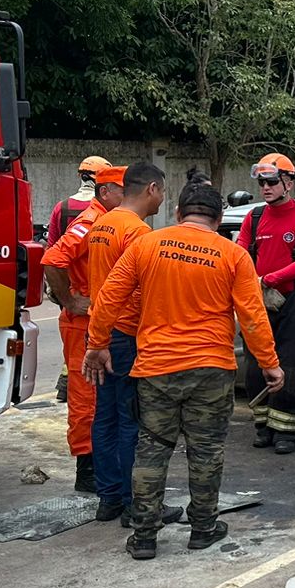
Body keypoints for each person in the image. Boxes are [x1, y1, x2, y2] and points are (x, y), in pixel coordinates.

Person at [83, 183, 283, 559]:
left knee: (151, 451)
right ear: (219, 220)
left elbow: (109, 297)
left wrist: (97, 343)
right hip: (211, 369)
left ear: (177, 213)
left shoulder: (146, 246)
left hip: (156, 368)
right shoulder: (234, 255)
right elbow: (253, 317)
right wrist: (269, 364)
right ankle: (203, 529)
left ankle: (144, 536)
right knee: (206, 451)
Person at [84, 162, 167, 524]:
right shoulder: (138, 233)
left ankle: (110, 498)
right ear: (151, 189)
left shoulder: (102, 223)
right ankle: (137, 503)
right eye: (163, 191)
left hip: (102, 332)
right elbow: (138, 291)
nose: (164, 198)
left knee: (104, 417)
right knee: (131, 420)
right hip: (128, 335)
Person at [42, 165, 126, 493]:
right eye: (123, 188)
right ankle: (87, 469)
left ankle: (101, 465)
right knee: (84, 396)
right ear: (106, 192)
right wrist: (70, 301)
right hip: (81, 323)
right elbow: (52, 260)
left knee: (99, 394)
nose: (128, 194)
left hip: (95, 320)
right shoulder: (90, 222)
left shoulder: (106, 221)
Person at [234, 154, 295, 454]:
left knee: (291, 367)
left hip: (293, 301)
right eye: (261, 182)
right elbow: (239, 254)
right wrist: (252, 283)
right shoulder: (254, 217)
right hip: (258, 300)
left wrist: (270, 279)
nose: (265, 188)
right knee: (255, 366)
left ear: (288, 182)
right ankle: (263, 425)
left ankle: (286, 430)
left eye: (271, 182)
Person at [49, 155, 112, 402]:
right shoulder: (104, 212)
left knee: (76, 352)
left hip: (70, 290)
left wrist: (65, 298)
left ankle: (68, 378)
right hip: (92, 295)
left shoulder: (62, 207)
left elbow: (52, 248)